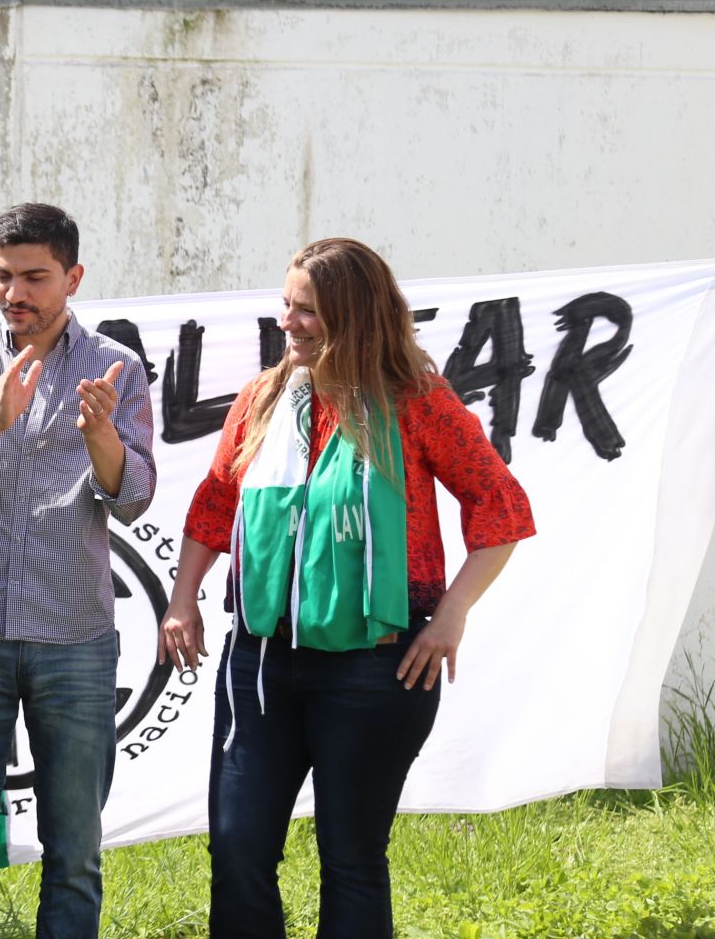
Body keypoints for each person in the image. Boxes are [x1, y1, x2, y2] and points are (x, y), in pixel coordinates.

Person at [161, 237, 535, 938]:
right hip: (263, 662)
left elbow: (500, 506)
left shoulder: (417, 401)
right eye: (286, 306)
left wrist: (451, 616)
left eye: (309, 312)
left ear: (356, 317)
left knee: (352, 857)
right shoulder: (262, 398)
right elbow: (214, 505)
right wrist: (184, 600)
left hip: (379, 666)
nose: (289, 323)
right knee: (238, 846)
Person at [0, 202, 157, 939]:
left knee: (75, 852)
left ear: (73, 277)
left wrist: (103, 435)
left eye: (35, 277)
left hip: (75, 640)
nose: (16, 292)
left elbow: (135, 496)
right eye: (3, 276)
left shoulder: (117, 366)